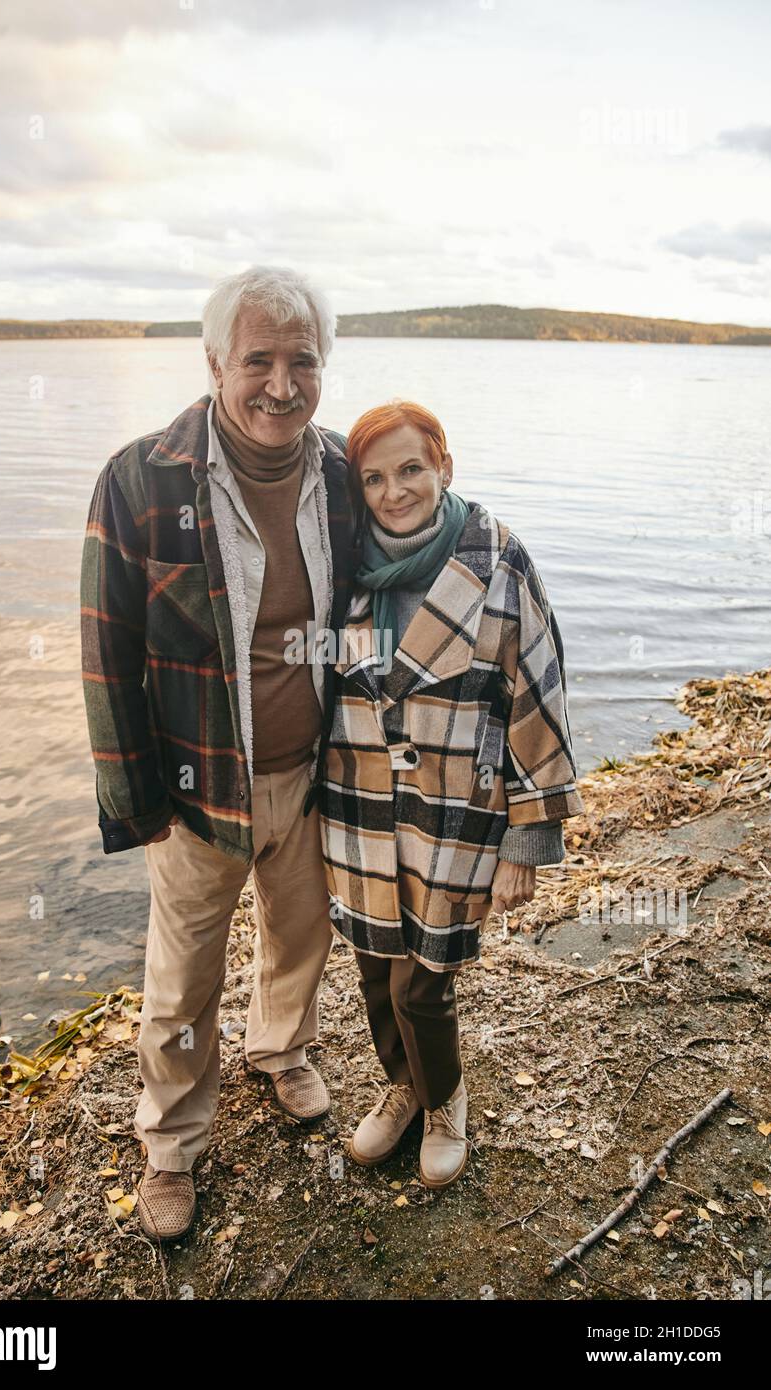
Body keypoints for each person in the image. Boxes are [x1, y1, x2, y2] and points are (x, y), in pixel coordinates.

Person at [80, 266, 357, 1240]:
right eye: (257, 361)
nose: (280, 384)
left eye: (301, 361)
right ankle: (171, 1142)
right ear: (212, 365)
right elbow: (104, 652)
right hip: (199, 790)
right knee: (182, 980)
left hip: (312, 777)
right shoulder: (140, 478)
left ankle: (281, 1051)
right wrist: (138, 800)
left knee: (300, 938)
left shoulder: (337, 474)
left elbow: (380, 597)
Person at [319, 401, 584, 1189]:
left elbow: (538, 689)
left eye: (410, 470)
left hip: (455, 810)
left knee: (422, 979)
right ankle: (403, 1085)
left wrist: (527, 840)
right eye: (373, 478)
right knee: (374, 966)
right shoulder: (342, 564)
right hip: (357, 800)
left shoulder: (497, 559)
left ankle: (445, 1100)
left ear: (444, 468)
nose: (394, 492)